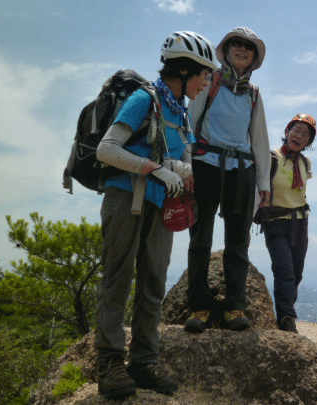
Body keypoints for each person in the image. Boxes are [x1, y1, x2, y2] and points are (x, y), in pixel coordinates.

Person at [94, 31, 217, 400]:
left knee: (153, 283)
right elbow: (107, 149)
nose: (206, 83)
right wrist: (155, 169)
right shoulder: (143, 99)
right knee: (117, 279)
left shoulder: (180, 111)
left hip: (160, 205)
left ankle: (144, 363)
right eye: (203, 75)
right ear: (182, 69)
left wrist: (179, 169)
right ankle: (110, 362)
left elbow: (184, 159)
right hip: (126, 198)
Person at [185, 27, 270, 333]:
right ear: (226, 49)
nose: (242, 49)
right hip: (206, 164)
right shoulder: (210, 81)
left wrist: (264, 186)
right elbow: (189, 126)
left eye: (249, 46)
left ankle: (235, 305)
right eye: (237, 43)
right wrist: (186, 170)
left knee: (238, 241)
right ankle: (198, 305)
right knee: (200, 239)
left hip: (241, 170)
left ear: (254, 57)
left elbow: (259, 140)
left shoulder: (253, 93)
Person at [259, 114, 316, 333]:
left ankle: (285, 312)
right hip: (275, 221)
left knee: (297, 272)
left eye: (306, 134)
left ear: (308, 143)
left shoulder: (305, 162)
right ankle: (286, 318)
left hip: (300, 223)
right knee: (284, 271)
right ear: (287, 132)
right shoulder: (271, 157)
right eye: (297, 130)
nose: (300, 136)